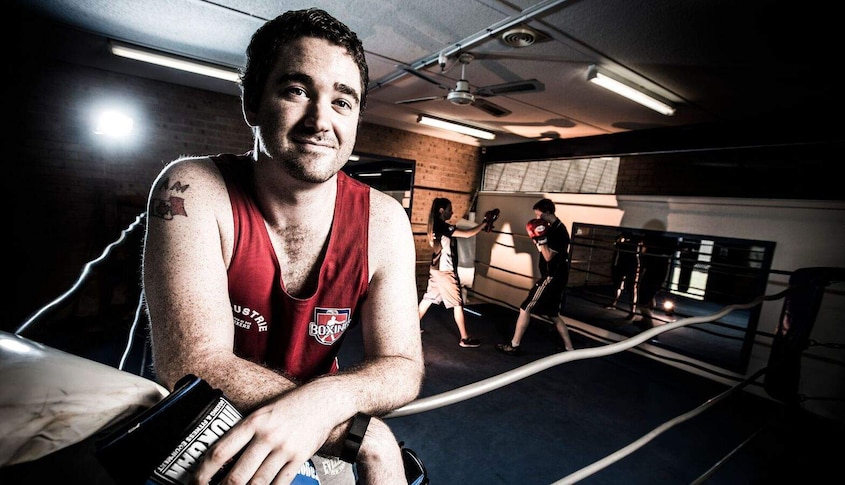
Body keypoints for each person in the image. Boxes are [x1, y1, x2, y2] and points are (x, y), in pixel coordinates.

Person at [142, 8, 424, 485]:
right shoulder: (192, 188)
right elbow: (194, 365)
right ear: (252, 103)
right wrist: (366, 437)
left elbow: (402, 365)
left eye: (342, 101)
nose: (320, 120)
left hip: (324, 420)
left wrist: (325, 403)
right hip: (203, 416)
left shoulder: (384, 220)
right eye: (297, 91)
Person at [496, 198, 574, 355]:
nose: (538, 219)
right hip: (557, 277)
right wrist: (538, 240)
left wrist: (541, 240)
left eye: (540, 216)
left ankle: (514, 345)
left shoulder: (559, 232)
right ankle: (570, 348)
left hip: (551, 277)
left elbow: (548, 257)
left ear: (547, 213)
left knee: (525, 308)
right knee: (553, 315)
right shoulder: (553, 227)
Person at [418, 198, 494, 348]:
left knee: (429, 298)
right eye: (449, 209)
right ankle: (465, 338)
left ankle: (410, 329)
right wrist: (484, 224)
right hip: (445, 270)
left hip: (436, 268)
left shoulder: (434, 225)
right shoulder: (442, 226)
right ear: (441, 210)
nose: (451, 212)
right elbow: (467, 234)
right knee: (458, 304)